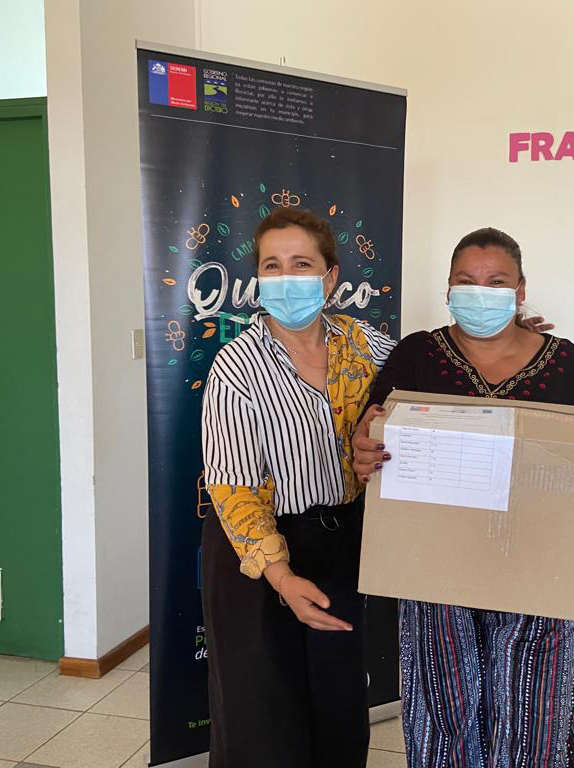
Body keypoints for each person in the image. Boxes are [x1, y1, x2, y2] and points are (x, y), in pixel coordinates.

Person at [352, 227, 574, 768]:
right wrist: (364, 450)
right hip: (435, 574)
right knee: (443, 710)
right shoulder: (417, 355)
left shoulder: (567, 364)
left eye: (496, 282)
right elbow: (375, 432)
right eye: (466, 281)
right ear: (448, 288)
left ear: (521, 291)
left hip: (540, 576)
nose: (480, 292)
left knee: (536, 716)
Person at [199, 207, 396, 767]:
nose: (286, 278)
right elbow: (234, 488)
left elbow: (432, 374)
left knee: (338, 710)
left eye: (301, 264)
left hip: (340, 546)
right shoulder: (238, 366)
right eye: (272, 265)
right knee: (264, 720)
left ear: (330, 277)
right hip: (259, 556)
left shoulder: (366, 347)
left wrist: (506, 337)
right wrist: (282, 579)